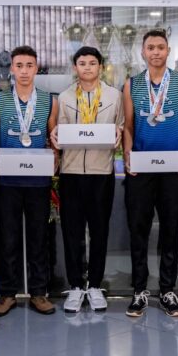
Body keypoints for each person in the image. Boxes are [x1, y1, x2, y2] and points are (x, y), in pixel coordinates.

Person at [121, 29, 178, 317]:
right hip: (141, 170)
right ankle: (139, 290)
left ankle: (167, 290)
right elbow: (128, 126)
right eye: (150, 47)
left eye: (161, 47)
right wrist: (128, 155)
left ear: (168, 51)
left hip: (173, 169)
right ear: (143, 52)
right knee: (138, 230)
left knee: (171, 230)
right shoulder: (131, 85)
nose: (155, 52)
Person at [51, 46, 124, 314]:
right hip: (71, 174)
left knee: (99, 232)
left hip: (101, 173)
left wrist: (120, 132)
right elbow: (58, 130)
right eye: (82, 63)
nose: (87, 67)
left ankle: (94, 285)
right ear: (75, 67)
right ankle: (75, 286)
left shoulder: (115, 96)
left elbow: (123, 126)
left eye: (93, 63)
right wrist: (55, 137)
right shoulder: (65, 96)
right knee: (71, 232)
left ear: (100, 67)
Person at [0, 46, 58, 317]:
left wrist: (56, 155)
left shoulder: (49, 100)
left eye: (30, 65)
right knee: (8, 237)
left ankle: (39, 292)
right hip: (8, 179)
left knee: (39, 237)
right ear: (12, 68)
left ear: (36, 67)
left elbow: (53, 136)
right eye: (20, 65)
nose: (25, 71)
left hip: (38, 179)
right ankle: (7, 293)